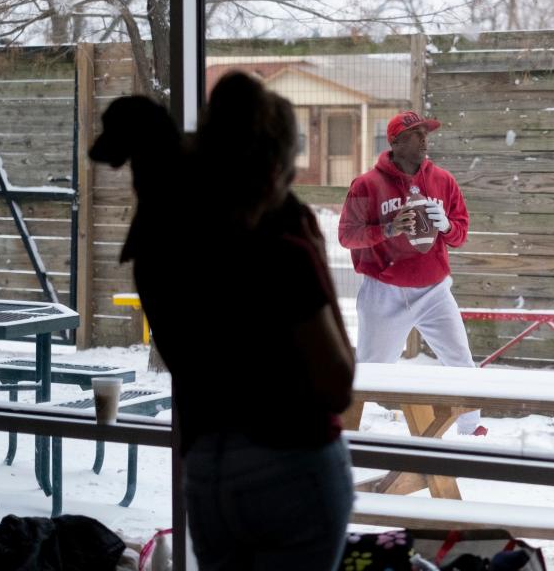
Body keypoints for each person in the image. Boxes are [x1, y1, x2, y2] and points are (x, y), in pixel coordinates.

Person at [89, 73, 355, 571]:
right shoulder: (283, 249)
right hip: (293, 466)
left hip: (209, 471)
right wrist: (314, 252)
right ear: (281, 163)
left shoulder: (159, 248)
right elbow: (336, 385)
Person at [338, 110, 485, 436]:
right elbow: (347, 235)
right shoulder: (367, 185)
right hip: (384, 289)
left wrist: (446, 224)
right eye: (415, 134)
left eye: (425, 133)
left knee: (461, 361)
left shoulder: (443, 181)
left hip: (433, 290)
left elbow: (460, 234)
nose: (423, 140)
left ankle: (473, 432)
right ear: (395, 142)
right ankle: (344, 434)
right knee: (369, 372)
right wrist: (386, 228)